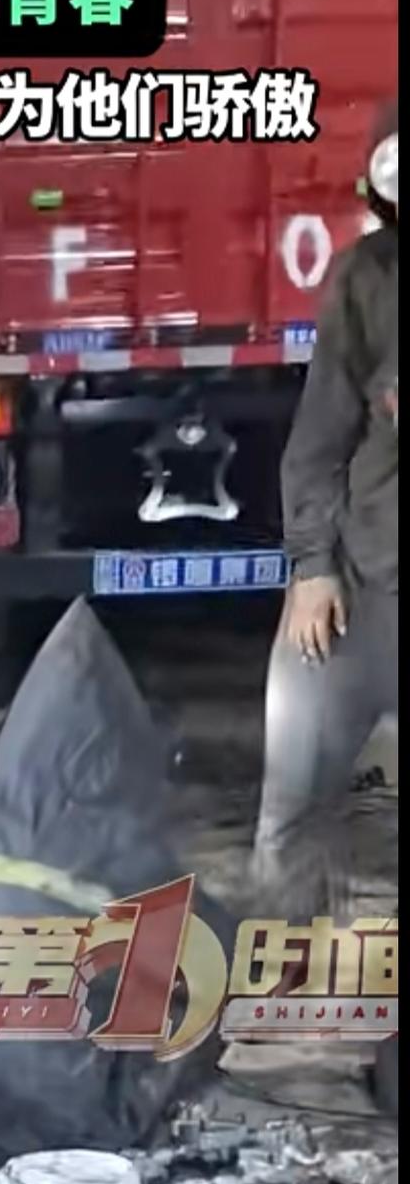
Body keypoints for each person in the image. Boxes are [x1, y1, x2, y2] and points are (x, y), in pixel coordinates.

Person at [252, 105, 398, 914]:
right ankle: (280, 956)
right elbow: (318, 437)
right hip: (365, 580)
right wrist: (312, 568)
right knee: (292, 808)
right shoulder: (366, 280)